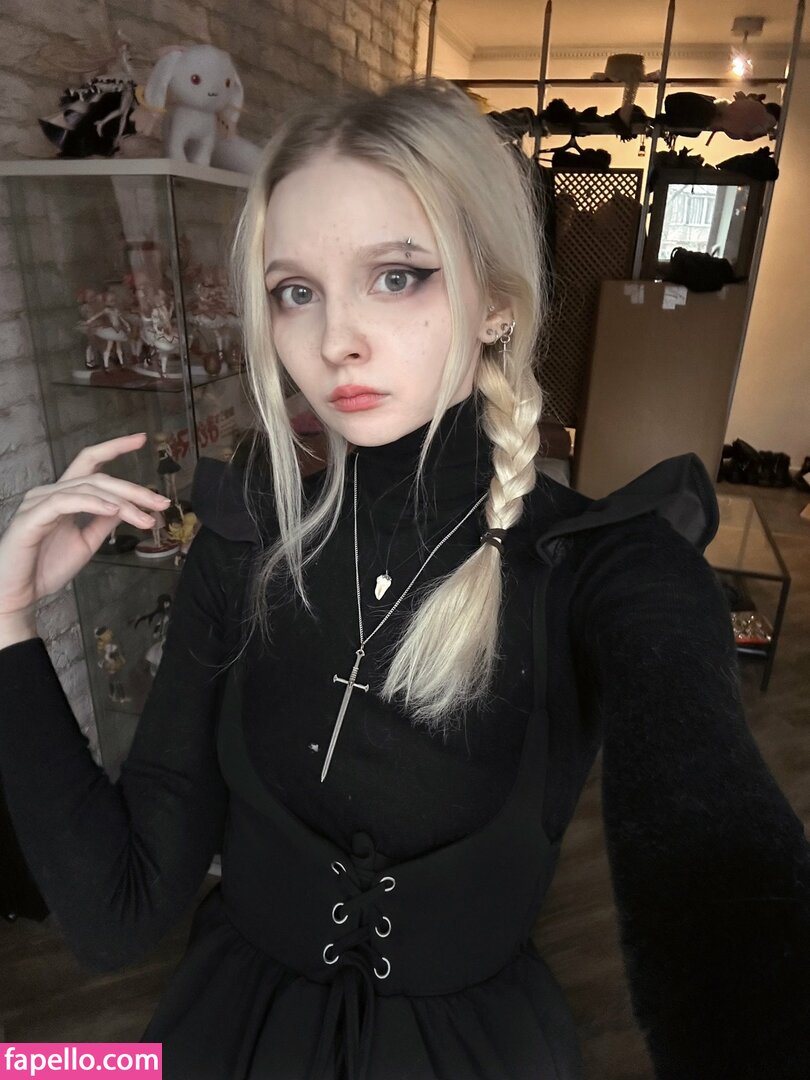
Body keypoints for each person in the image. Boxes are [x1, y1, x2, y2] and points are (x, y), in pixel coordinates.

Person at [0, 76, 808, 1080]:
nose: (334, 338)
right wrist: (9, 622)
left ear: (497, 301)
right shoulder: (246, 540)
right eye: (296, 291)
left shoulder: (599, 567)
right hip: (234, 1038)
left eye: (396, 276)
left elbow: (713, 861)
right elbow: (116, 915)